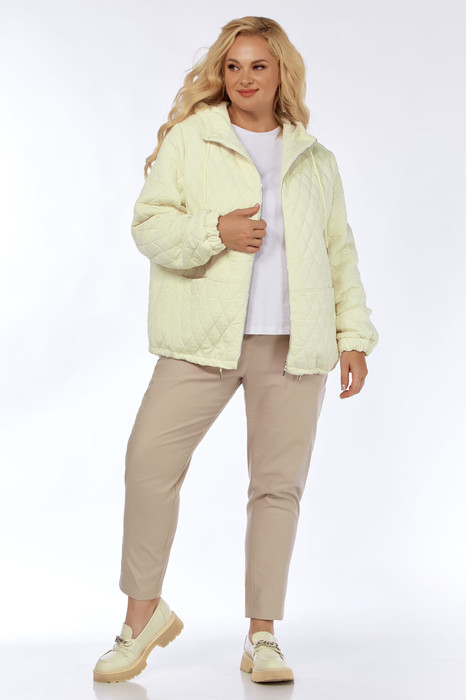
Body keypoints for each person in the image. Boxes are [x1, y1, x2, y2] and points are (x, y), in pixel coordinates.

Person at [93, 15, 379, 685]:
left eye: (258, 65)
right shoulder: (193, 139)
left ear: (281, 73)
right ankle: (141, 619)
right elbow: (148, 226)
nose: (244, 77)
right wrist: (214, 231)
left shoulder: (315, 159)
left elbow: (339, 252)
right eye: (233, 66)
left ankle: (262, 636)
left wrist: (354, 337)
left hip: (294, 344)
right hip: (201, 339)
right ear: (221, 74)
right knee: (148, 464)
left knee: (277, 488)